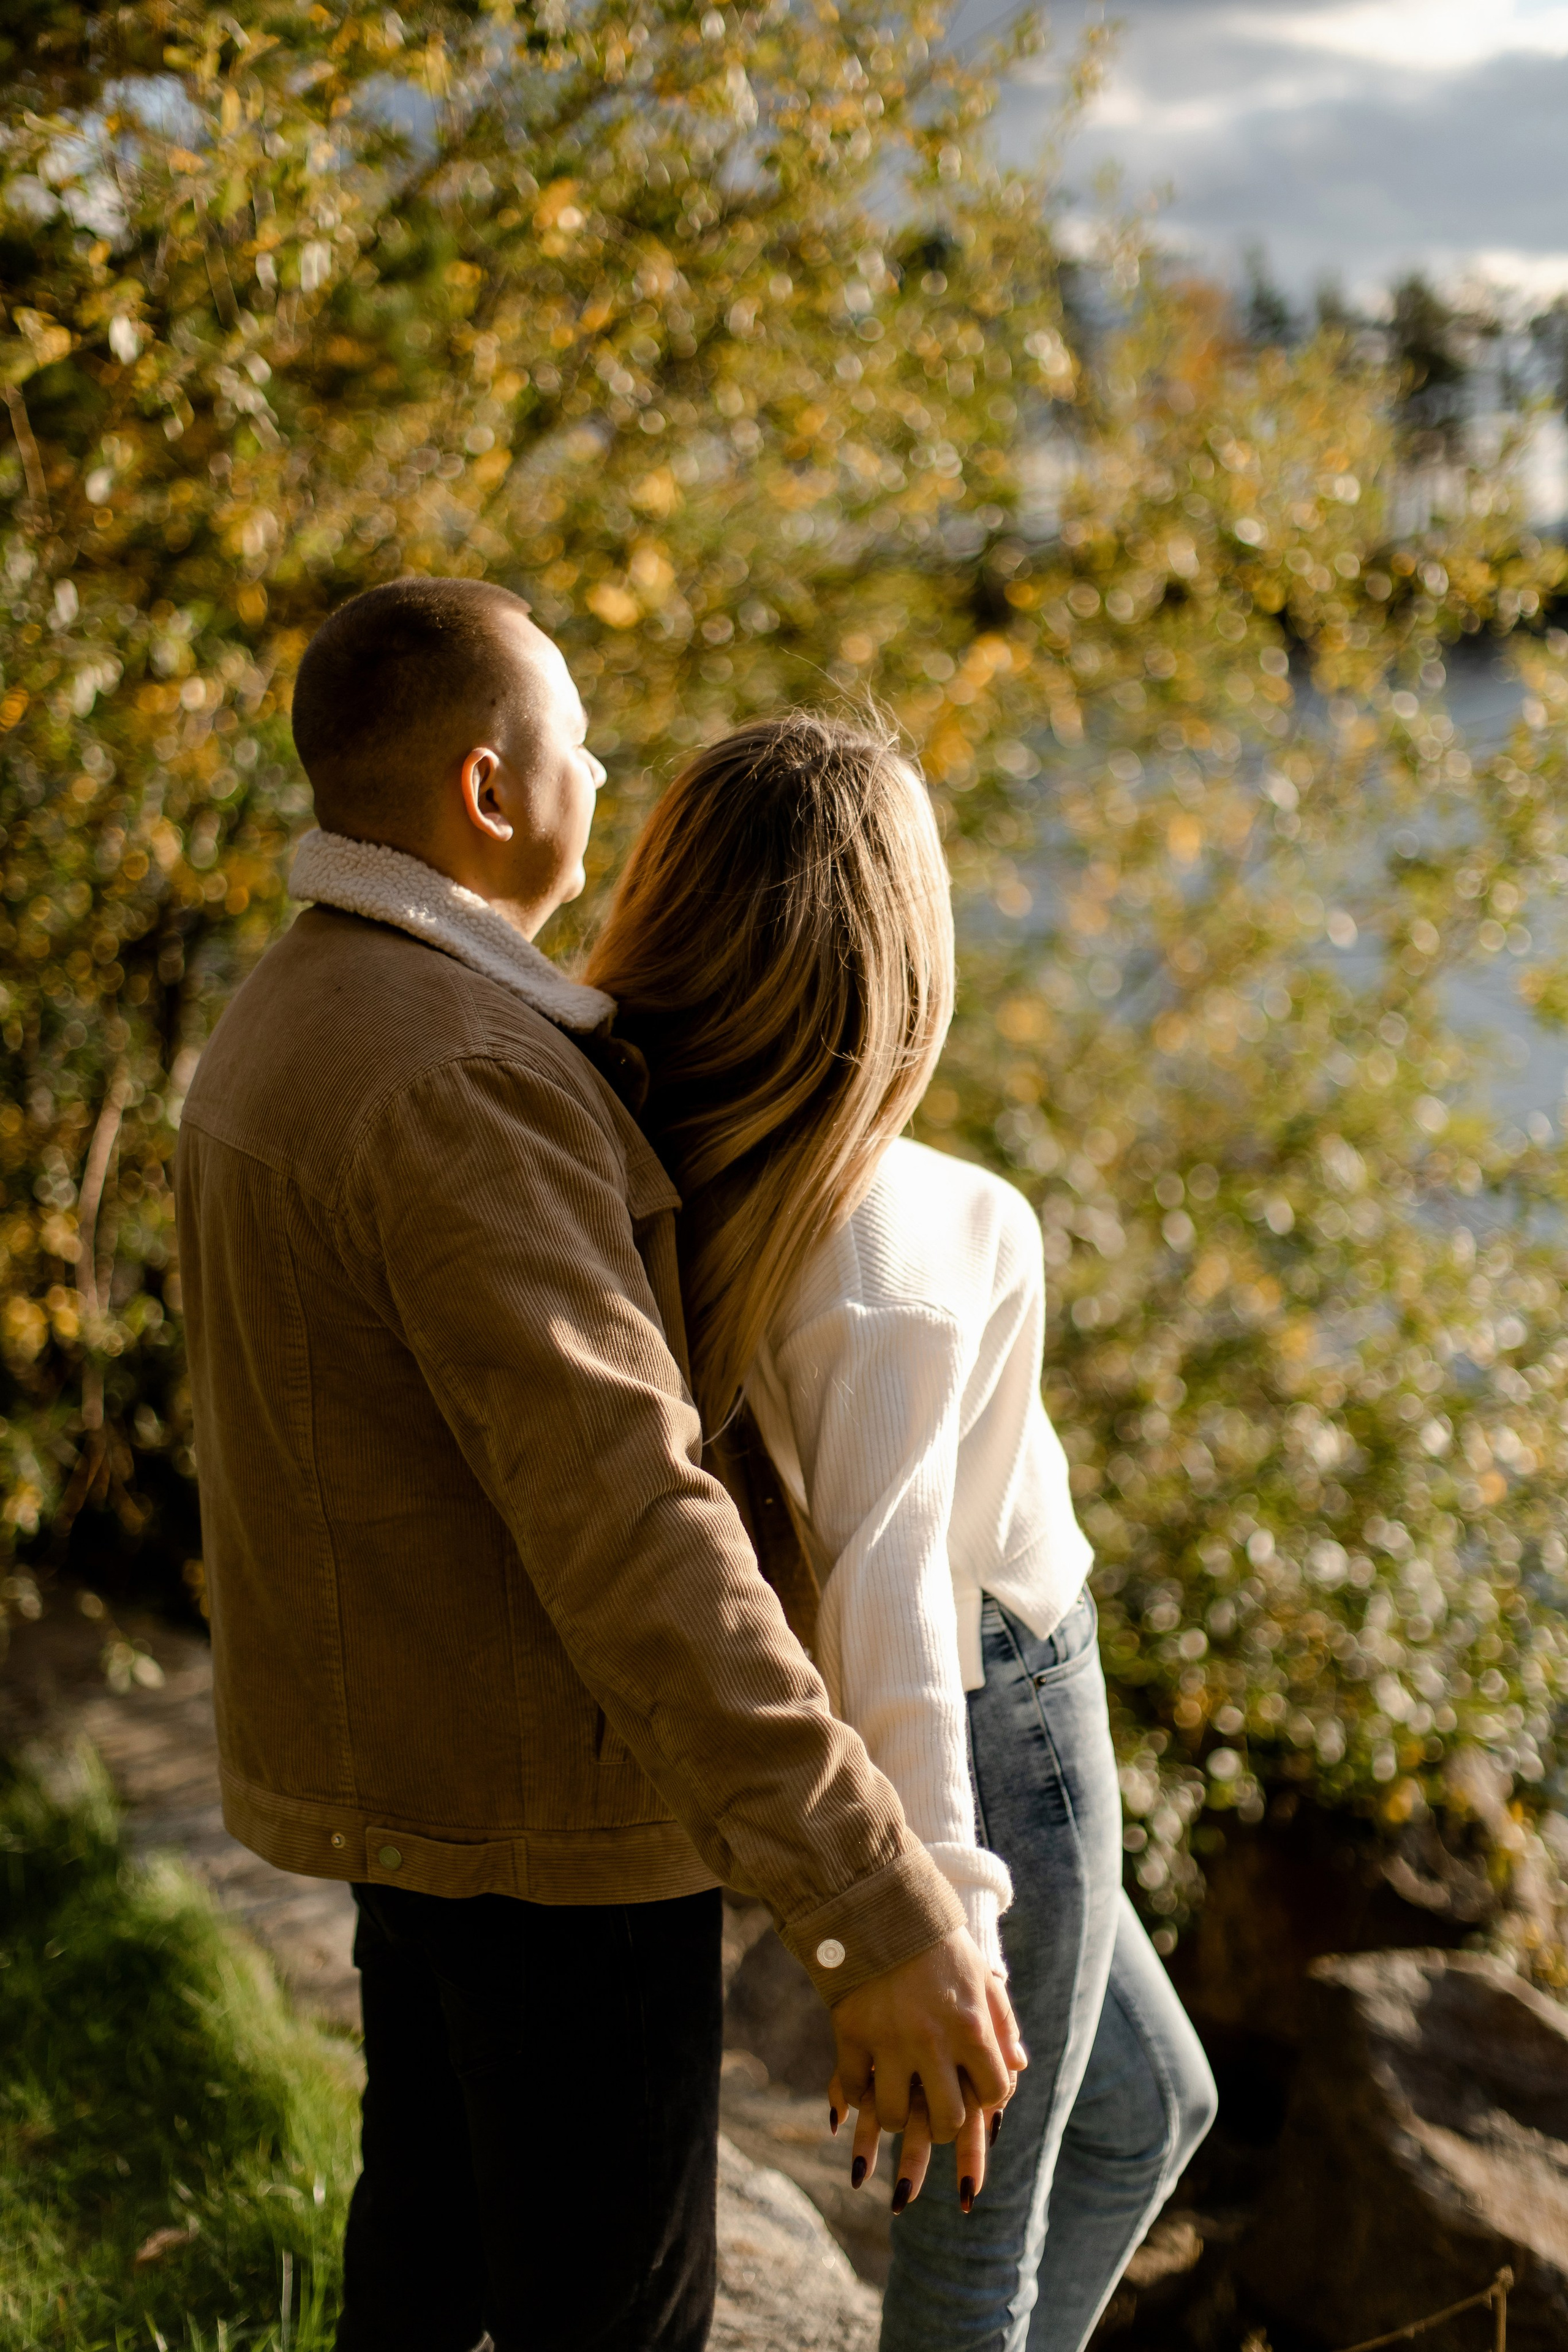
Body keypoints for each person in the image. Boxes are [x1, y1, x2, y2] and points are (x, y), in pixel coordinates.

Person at [174, 582, 1023, 2352]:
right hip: (547, 1836)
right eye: (578, 738)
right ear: (492, 789)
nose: (606, 768)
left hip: (420, 1789)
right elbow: (632, 1523)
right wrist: (879, 1905)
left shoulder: (303, 1010)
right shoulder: (465, 1079)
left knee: (429, 2271)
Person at [586, 710, 1218, 2352]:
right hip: (1003, 1698)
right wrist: (931, 1919)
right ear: (899, 945)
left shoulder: (628, 1130)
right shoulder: (904, 1256)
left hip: (941, 1685)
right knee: (971, 2257)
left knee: (1150, 2113)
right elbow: (901, 1614)